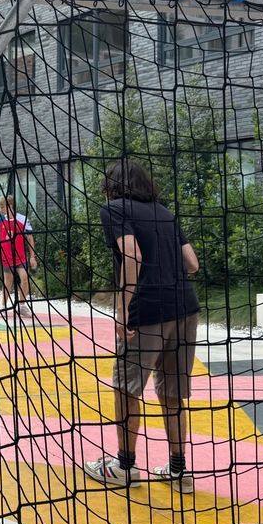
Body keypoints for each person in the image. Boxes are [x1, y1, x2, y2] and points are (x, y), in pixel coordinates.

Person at [83, 160, 201, 493]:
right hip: (185, 308)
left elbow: (132, 257)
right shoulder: (164, 212)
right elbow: (192, 264)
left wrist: (122, 308)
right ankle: (179, 472)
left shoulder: (114, 210)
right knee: (173, 393)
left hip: (148, 310)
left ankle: (124, 466)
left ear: (112, 185)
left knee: (126, 387)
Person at [0, 195, 37, 317]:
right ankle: (3, 306)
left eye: (2, 206)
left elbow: (30, 238)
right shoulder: (0, 220)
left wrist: (32, 257)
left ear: (10, 206)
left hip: (21, 256)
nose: (0, 209)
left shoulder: (23, 219)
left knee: (25, 278)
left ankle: (21, 306)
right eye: (0, 207)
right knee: (8, 282)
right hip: (7, 256)